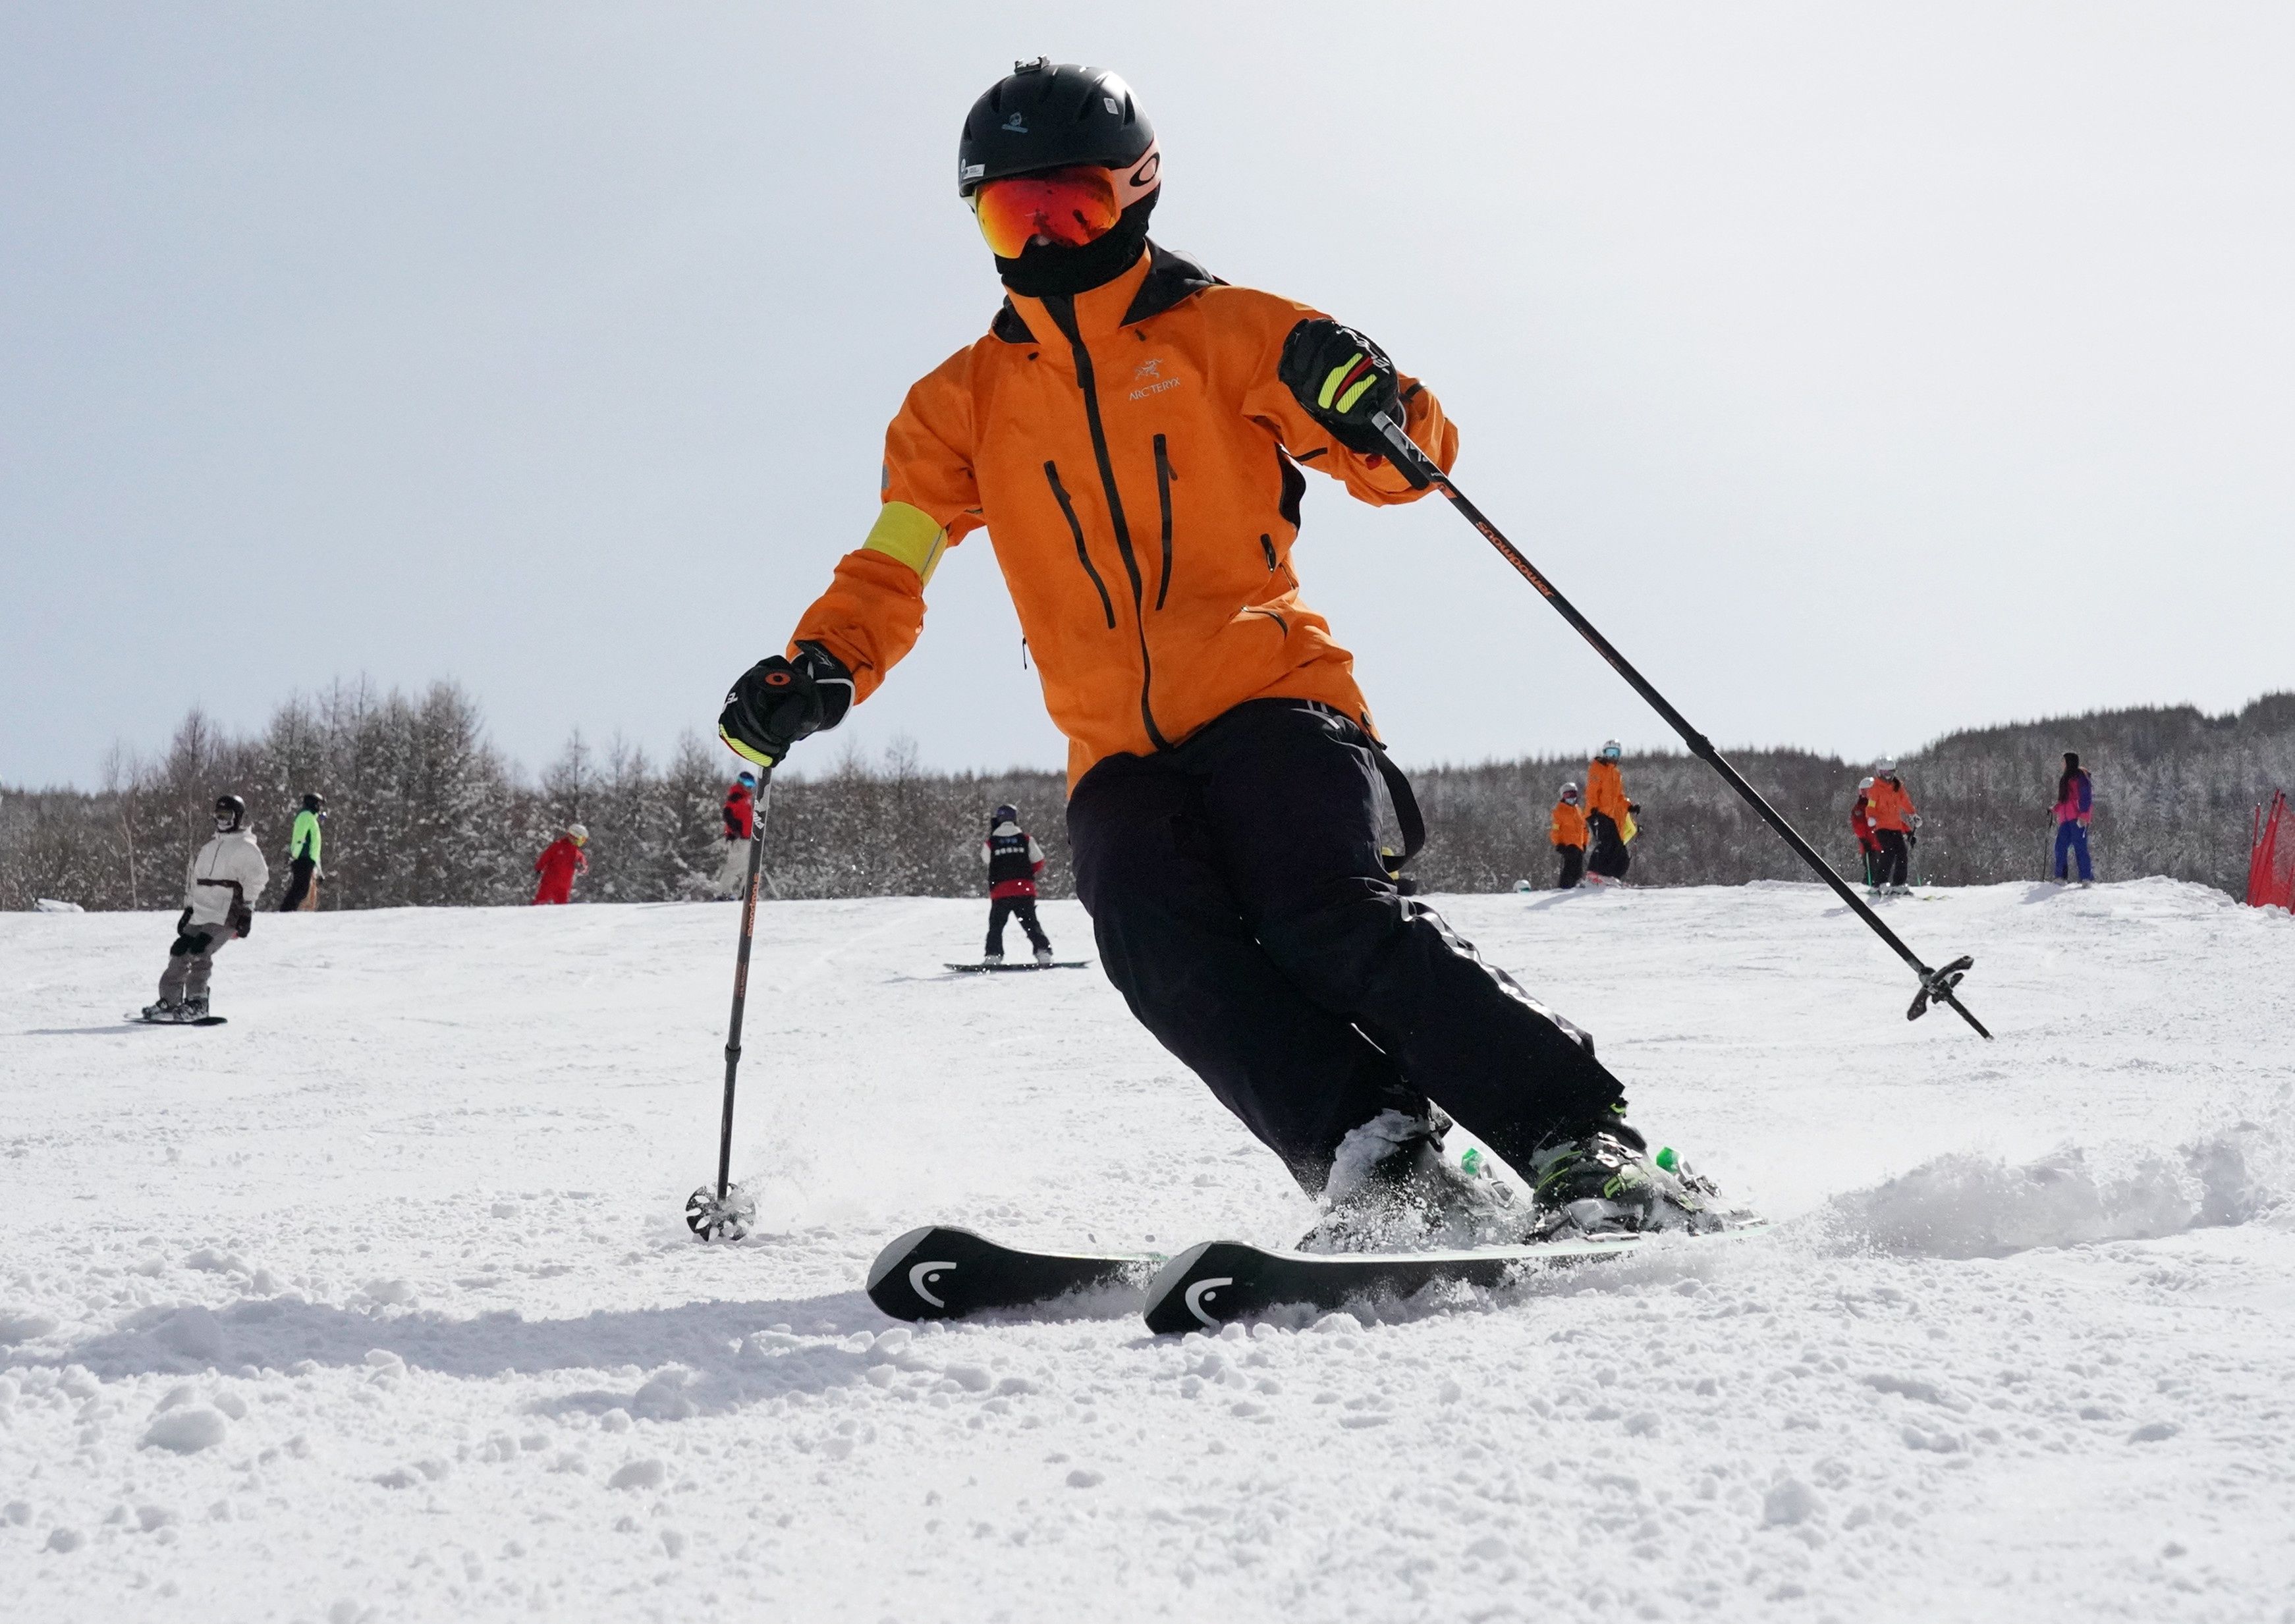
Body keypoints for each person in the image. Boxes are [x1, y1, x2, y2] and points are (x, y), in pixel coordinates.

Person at [712, 59, 1721, 1244]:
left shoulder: (1231, 329)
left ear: (1135, 194)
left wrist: (1363, 393)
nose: (1043, 241)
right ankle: (1379, 1161)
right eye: (1010, 214)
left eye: (1072, 206)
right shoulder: (958, 403)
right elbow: (895, 558)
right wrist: (823, 662)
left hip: (1268, 696)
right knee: (1149, 944)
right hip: (1112, 748)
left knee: (1320, 910)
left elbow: (1406, 461)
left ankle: (1574, 1137)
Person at [141, 794, 268, 1021]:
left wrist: (247, 910)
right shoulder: (209, 848)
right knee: (180, 950)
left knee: (200, 950)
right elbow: (195, 879)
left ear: (237, 818)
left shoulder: (246, 848)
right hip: (202, 911)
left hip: (227, 912)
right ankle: (170, 1001)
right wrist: (189, 909)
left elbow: (257, 880)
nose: (222, 821)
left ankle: (198, 1001)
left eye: (227, 816)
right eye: (219, 816)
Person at [982, 803, 1055, 965]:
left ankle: (993, 956)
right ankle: (1044, 953)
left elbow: (987, 860)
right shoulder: (1026, 839)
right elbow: (1039, 860)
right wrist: (1025, 873)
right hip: (1024, 890)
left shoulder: (991, 842)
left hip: (1001, 891)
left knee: (996, 926)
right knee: (1031, 924)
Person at [1583, 742, 1638, 882]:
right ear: (1604, 753)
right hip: (1597, 813)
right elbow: (1592, 791)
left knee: (1619, 849)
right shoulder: (1598, 768)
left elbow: (1619, 797)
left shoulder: (1615, 773)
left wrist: (1629, 806)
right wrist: (1594, 808)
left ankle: (1611, 876)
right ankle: (1594, 872)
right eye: (1609, 753)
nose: (1612, 757)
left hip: (1609, 815)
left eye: (1615, 754)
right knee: (1606, 843)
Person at [1866, 761, 1918, 894]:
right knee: (1888, 853)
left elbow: (1905, 802)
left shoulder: (1898, 787)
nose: (1888, 776)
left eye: (1890, 772)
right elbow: (1871, 805)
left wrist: (1913, 815)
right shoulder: (1875, 788)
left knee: (1902, 853)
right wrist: (1871, 817)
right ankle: (1878, 884)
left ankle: (1899, 884)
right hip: (1882, 826)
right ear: (1879, 772)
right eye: (1884, 773)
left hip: (1895, 826)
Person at [278, 791, 326, 911]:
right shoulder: (306, 817)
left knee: (302, 889)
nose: (320, 808)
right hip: (303, 858)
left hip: (308, 858)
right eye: (319, 804)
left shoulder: (311, 818)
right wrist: (296, 855)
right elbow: (300, 838)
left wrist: (318, 869)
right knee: (300, 888)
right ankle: (286, 911)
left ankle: (288, 910)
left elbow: (315, 844)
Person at [2053, 751, 2094, 883]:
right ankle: (2061, 877)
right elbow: (2064, 801)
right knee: (2060, 847)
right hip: (2065, 820)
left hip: (2078, 819)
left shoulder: (2080, 777)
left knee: (2080, 848)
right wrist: (2054, 809)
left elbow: (2086, 797)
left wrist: (2083, 815)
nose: (2062, 764)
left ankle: (2086, 878)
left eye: (2063, 761)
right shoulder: (2065, 779)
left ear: (2069, 762)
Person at [719, 771, 758, 896]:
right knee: (734, 866)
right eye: (747, 783)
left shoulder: (746, 799)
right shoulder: (736, 796)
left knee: (751, 866)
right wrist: (735, 830)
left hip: (747, 838)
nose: (750, 786)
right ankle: (723, 893)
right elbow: (727, 814)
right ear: (740, 782)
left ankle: (747, 893)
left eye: (752, 784)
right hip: (738, 839)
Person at [532, 824, 588, 906]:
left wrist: (581, 867)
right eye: (581, 839)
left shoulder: (577, 854)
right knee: (540, 902)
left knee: (562, 908)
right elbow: (545, 857)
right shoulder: (558, 846)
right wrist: (539, 869)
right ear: (574, 836)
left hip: (564, 886)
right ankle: (532, 916)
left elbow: (584, 866)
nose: (581, 842)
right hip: (549, 882)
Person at [1550, 783, 1587, 889]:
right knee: (1569, 868)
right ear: (1563, 797)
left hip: (1579, 845)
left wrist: (1584, 843)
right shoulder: (1560, 811)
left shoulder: (1578, 810)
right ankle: (1564, 887)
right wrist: (1558, 843)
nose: (1571, 798)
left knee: (1578, 869)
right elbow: (1555, 830)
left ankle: (1575, 887)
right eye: (1568, 796)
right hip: (1568, 845)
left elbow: (1584, 829)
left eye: (1573, 795)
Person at [1850, 776, 1883, 894]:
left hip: (1881, 843)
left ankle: (1880, 887)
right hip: (1869, 845)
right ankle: (1867, 888)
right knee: (1872, 869)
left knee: (1883, 868)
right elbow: (1858, 826)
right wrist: (1864, 840)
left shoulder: (1878, 806)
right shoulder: (1860, 808)